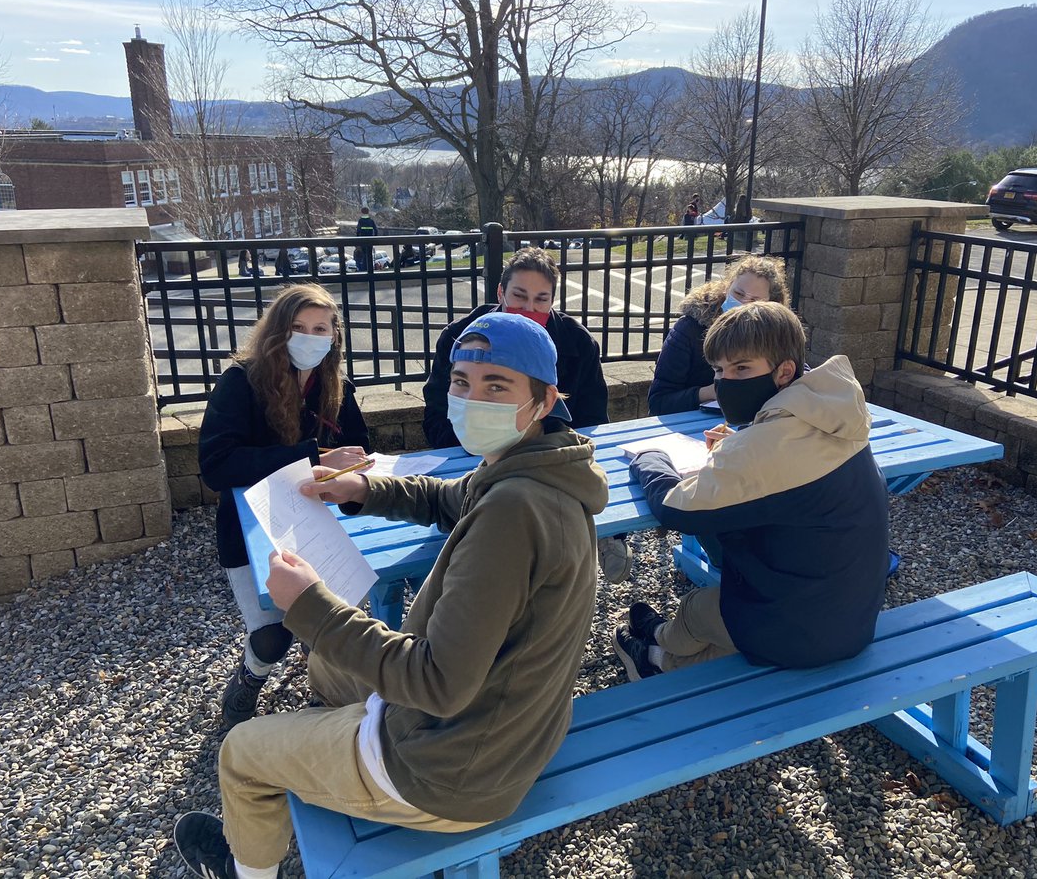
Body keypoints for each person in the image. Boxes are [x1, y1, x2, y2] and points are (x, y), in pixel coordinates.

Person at [174, 312, 609, 879]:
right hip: (510, 731)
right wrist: (363, 488)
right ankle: (329, 754)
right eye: (461, 381)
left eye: (496, 385)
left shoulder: (512, 514)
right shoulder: (540, 470)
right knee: (328, 662)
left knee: (241, 753)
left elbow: (437, 684)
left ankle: (246, 870)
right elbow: (450, 497)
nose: (472, 398)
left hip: (450, 772)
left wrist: (306, 605)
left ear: (545, 400)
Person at [613, 300, 890, 682]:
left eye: (742, 368)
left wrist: (651, 458)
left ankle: (656, 644)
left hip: (799, 631)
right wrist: (741, 446)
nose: (726, 381)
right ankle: (663, 654)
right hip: (855, 619)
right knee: (726, 635)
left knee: (698, 607)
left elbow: (677, 509)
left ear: (784, 372)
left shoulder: (766, 445)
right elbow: (785, 465)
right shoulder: (835, 413)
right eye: (719, 370)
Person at [199, 284, 371, 729]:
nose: (309, 337)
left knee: (332, 621)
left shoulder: (336, 386)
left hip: (319, 523)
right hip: (251, 526)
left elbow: (359, 451)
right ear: (278, 331)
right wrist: (312, 459)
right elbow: (217, 466)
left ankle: (332, 696)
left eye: (320, 328)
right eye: (297, 327)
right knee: (272, 635)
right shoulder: (241, 381)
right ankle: (248, 680)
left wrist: (355, 483)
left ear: (334, 336)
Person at [421, 248, 629, 582]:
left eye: (540, 300)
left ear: (552, 302)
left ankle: (599, 535)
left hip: (550, 459)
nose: (529, 309)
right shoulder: (461, 337)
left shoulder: (578, 344)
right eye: (519, 297)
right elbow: (436, 414)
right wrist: (479, 437)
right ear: (500, 293)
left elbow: (592, 422)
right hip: (479, 457)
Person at [648, 254, 788, 416]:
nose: (743, 304)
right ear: (727, 287)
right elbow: (658, 402)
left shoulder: (777, 332)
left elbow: (798, 373)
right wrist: (712, 392)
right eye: (738, 294)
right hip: (692, 427)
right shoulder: (690, 329)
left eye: (754, 301)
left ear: (771, 305)